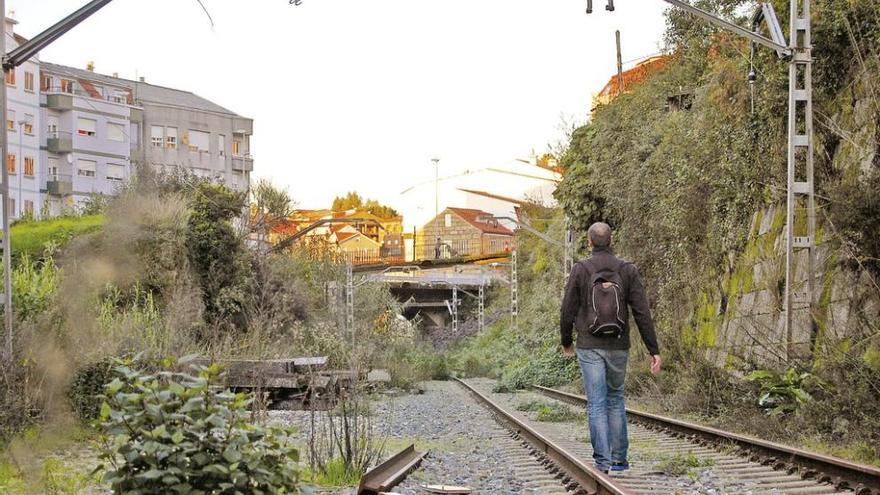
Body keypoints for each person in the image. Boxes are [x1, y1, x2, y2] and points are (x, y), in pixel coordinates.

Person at [559, 222, 661, 474]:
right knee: (615, 399)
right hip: (618, 345)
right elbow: (641, 312)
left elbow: (567, 309)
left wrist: (566, 341)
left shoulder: (581, 269)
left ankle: (602, 463)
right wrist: (653, 349)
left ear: (590, 241)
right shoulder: (627, 269)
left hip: (589, 345)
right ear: (611, 240)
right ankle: (619, 461)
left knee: (596, 402)